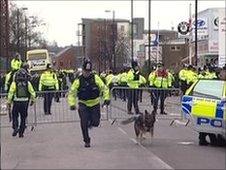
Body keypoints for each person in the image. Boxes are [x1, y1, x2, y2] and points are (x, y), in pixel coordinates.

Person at [68, 59, 110, 148]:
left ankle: (90, 122)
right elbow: (72, 93)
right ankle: (87, 140)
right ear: (82, 70)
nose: (87, 73)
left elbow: (104, 88)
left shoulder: (96, 78)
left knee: (96, 122)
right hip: (83, 104)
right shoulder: (78, 80)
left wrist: (107, 98)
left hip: (95, 104)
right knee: (83, 123)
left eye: (89, 71)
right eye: (85, 71)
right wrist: (72, 104)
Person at [7, 68, 36, 137]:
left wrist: (9, 102)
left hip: (16, 102)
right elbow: (32, 92)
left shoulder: (14, 83)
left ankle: (15, 128)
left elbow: (11, 93)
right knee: (23, 118)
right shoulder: (27, 83)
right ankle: (21, 133)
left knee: (15, 116)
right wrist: (33, 100)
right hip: (25, 102)